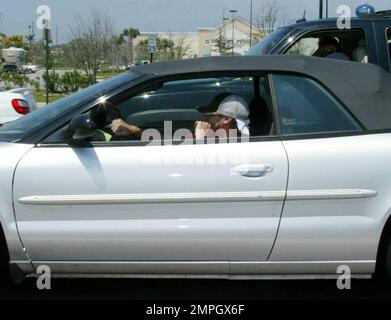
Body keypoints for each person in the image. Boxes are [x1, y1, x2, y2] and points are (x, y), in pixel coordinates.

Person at [110, 94, 250, 140]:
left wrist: (200, 142)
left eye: (209, 116)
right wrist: (134, 130)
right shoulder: (212, 135)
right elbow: (167, 140)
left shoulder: (235, 144)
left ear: (226, 119)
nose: (204, 119)